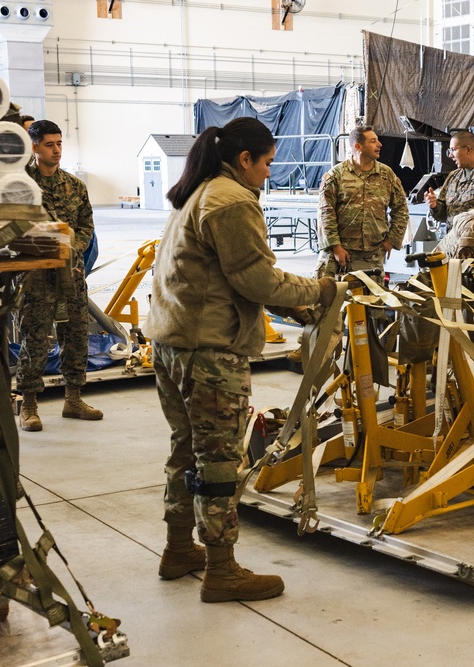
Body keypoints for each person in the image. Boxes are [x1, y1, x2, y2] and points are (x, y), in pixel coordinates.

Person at [145, 117, 336, 603]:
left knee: (185, 449)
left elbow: (225, 274)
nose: (269, 174)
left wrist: (290, 303)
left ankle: (177, 549)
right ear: (244, 159)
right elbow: (255, 279)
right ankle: (222, 570)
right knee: (220, 464)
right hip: (208, 352)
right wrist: (321, 289)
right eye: (267, 163)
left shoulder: (201, 191)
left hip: (173, 343)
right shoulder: (230, 201)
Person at [16, 120, 102, 432]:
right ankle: (28, 405)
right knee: (35, 339)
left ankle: (73, 398)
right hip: (36, 276)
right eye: (50, 144)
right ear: (34, 147)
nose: (57, 150)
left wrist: (72, 248)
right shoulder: (21, 185)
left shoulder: (75, 186)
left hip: (71, 272)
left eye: (60, 143)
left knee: (77, 335)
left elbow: (86, 225)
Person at [315, 125, 409, 279]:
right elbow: (326, 213)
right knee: (326, 299)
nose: (380, 144)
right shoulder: (336, 175)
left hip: (371, 254)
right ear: (358, 146)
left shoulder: (387, 175)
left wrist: (390, 241)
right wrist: (336, 247)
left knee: (372, 301)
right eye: (373, 141)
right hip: (338, 253)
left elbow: (401, 209)